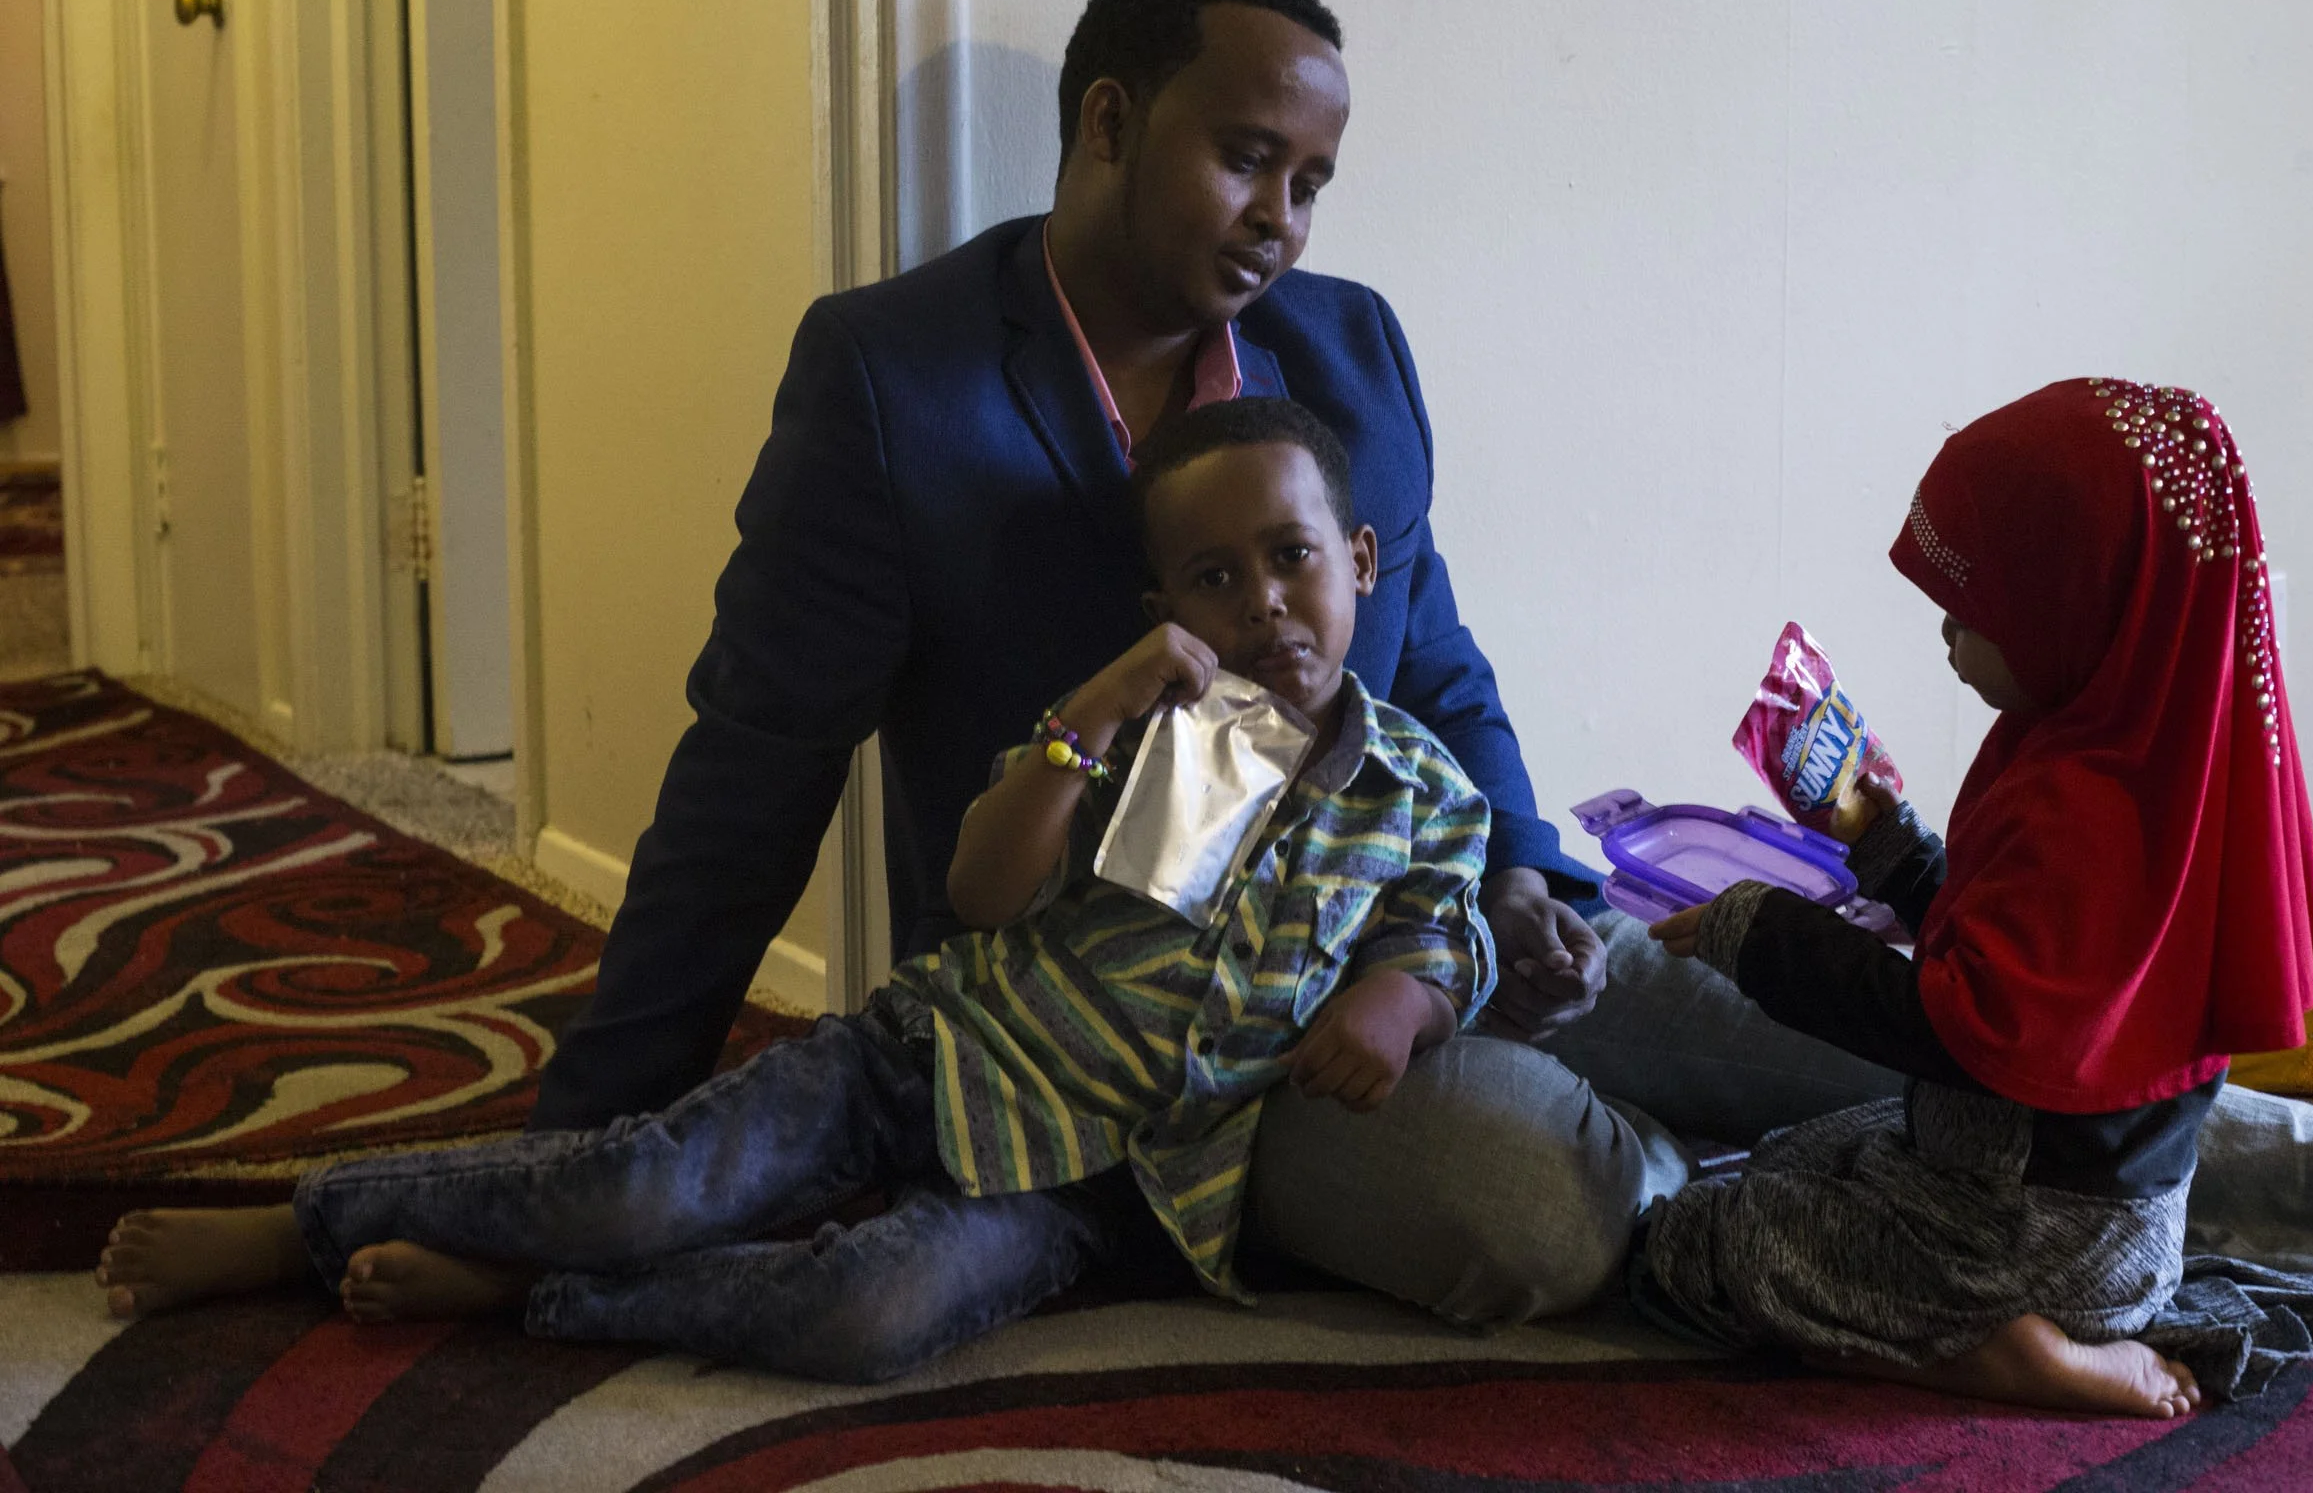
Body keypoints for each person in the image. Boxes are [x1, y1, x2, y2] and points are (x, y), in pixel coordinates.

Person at [524, 0, 1684, 1323]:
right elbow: (753, 772)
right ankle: (1682, 1178)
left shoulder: (1351, 349)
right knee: (1545, 1204)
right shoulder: (893, 380)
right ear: (1111, 123)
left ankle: (1851, 1148)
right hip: (1145, 1041)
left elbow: (1433, 659)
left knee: (1784, 1016)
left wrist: (1518, 874)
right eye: (1249, 159)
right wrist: (579, 1151)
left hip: (1402, 930)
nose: (1281, 223)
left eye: (1311, 183)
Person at [93, 400, 1499, 1381]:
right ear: (1164, 612)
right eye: (1214, 575)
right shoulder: (1129, 731)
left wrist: (1401, 999)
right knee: (644, 1182)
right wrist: (1091, 718)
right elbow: (987, 890)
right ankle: (312, 1217)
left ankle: (549, 1295)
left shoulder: (1422, 790)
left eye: (1292, 558)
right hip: (930, 1060)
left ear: (1360, 562)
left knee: (868, 1317)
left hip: (1099, 1182)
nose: (1261, 600)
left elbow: (1447, 925)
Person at [1632, 378, 2313, 1416]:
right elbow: (2023, 980)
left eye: (1970, 614)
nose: (1947, 641)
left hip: (2020, 1240)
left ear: (2078, 604)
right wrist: (1886, 843)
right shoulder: (2177, 767)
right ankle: (2002, 1316)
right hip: (2111, 1223)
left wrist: (1760, 934)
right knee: (1787, 1156)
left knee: (1694, 1243)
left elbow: (1957, 1027)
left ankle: (1995, 1353)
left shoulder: (2077, 809)